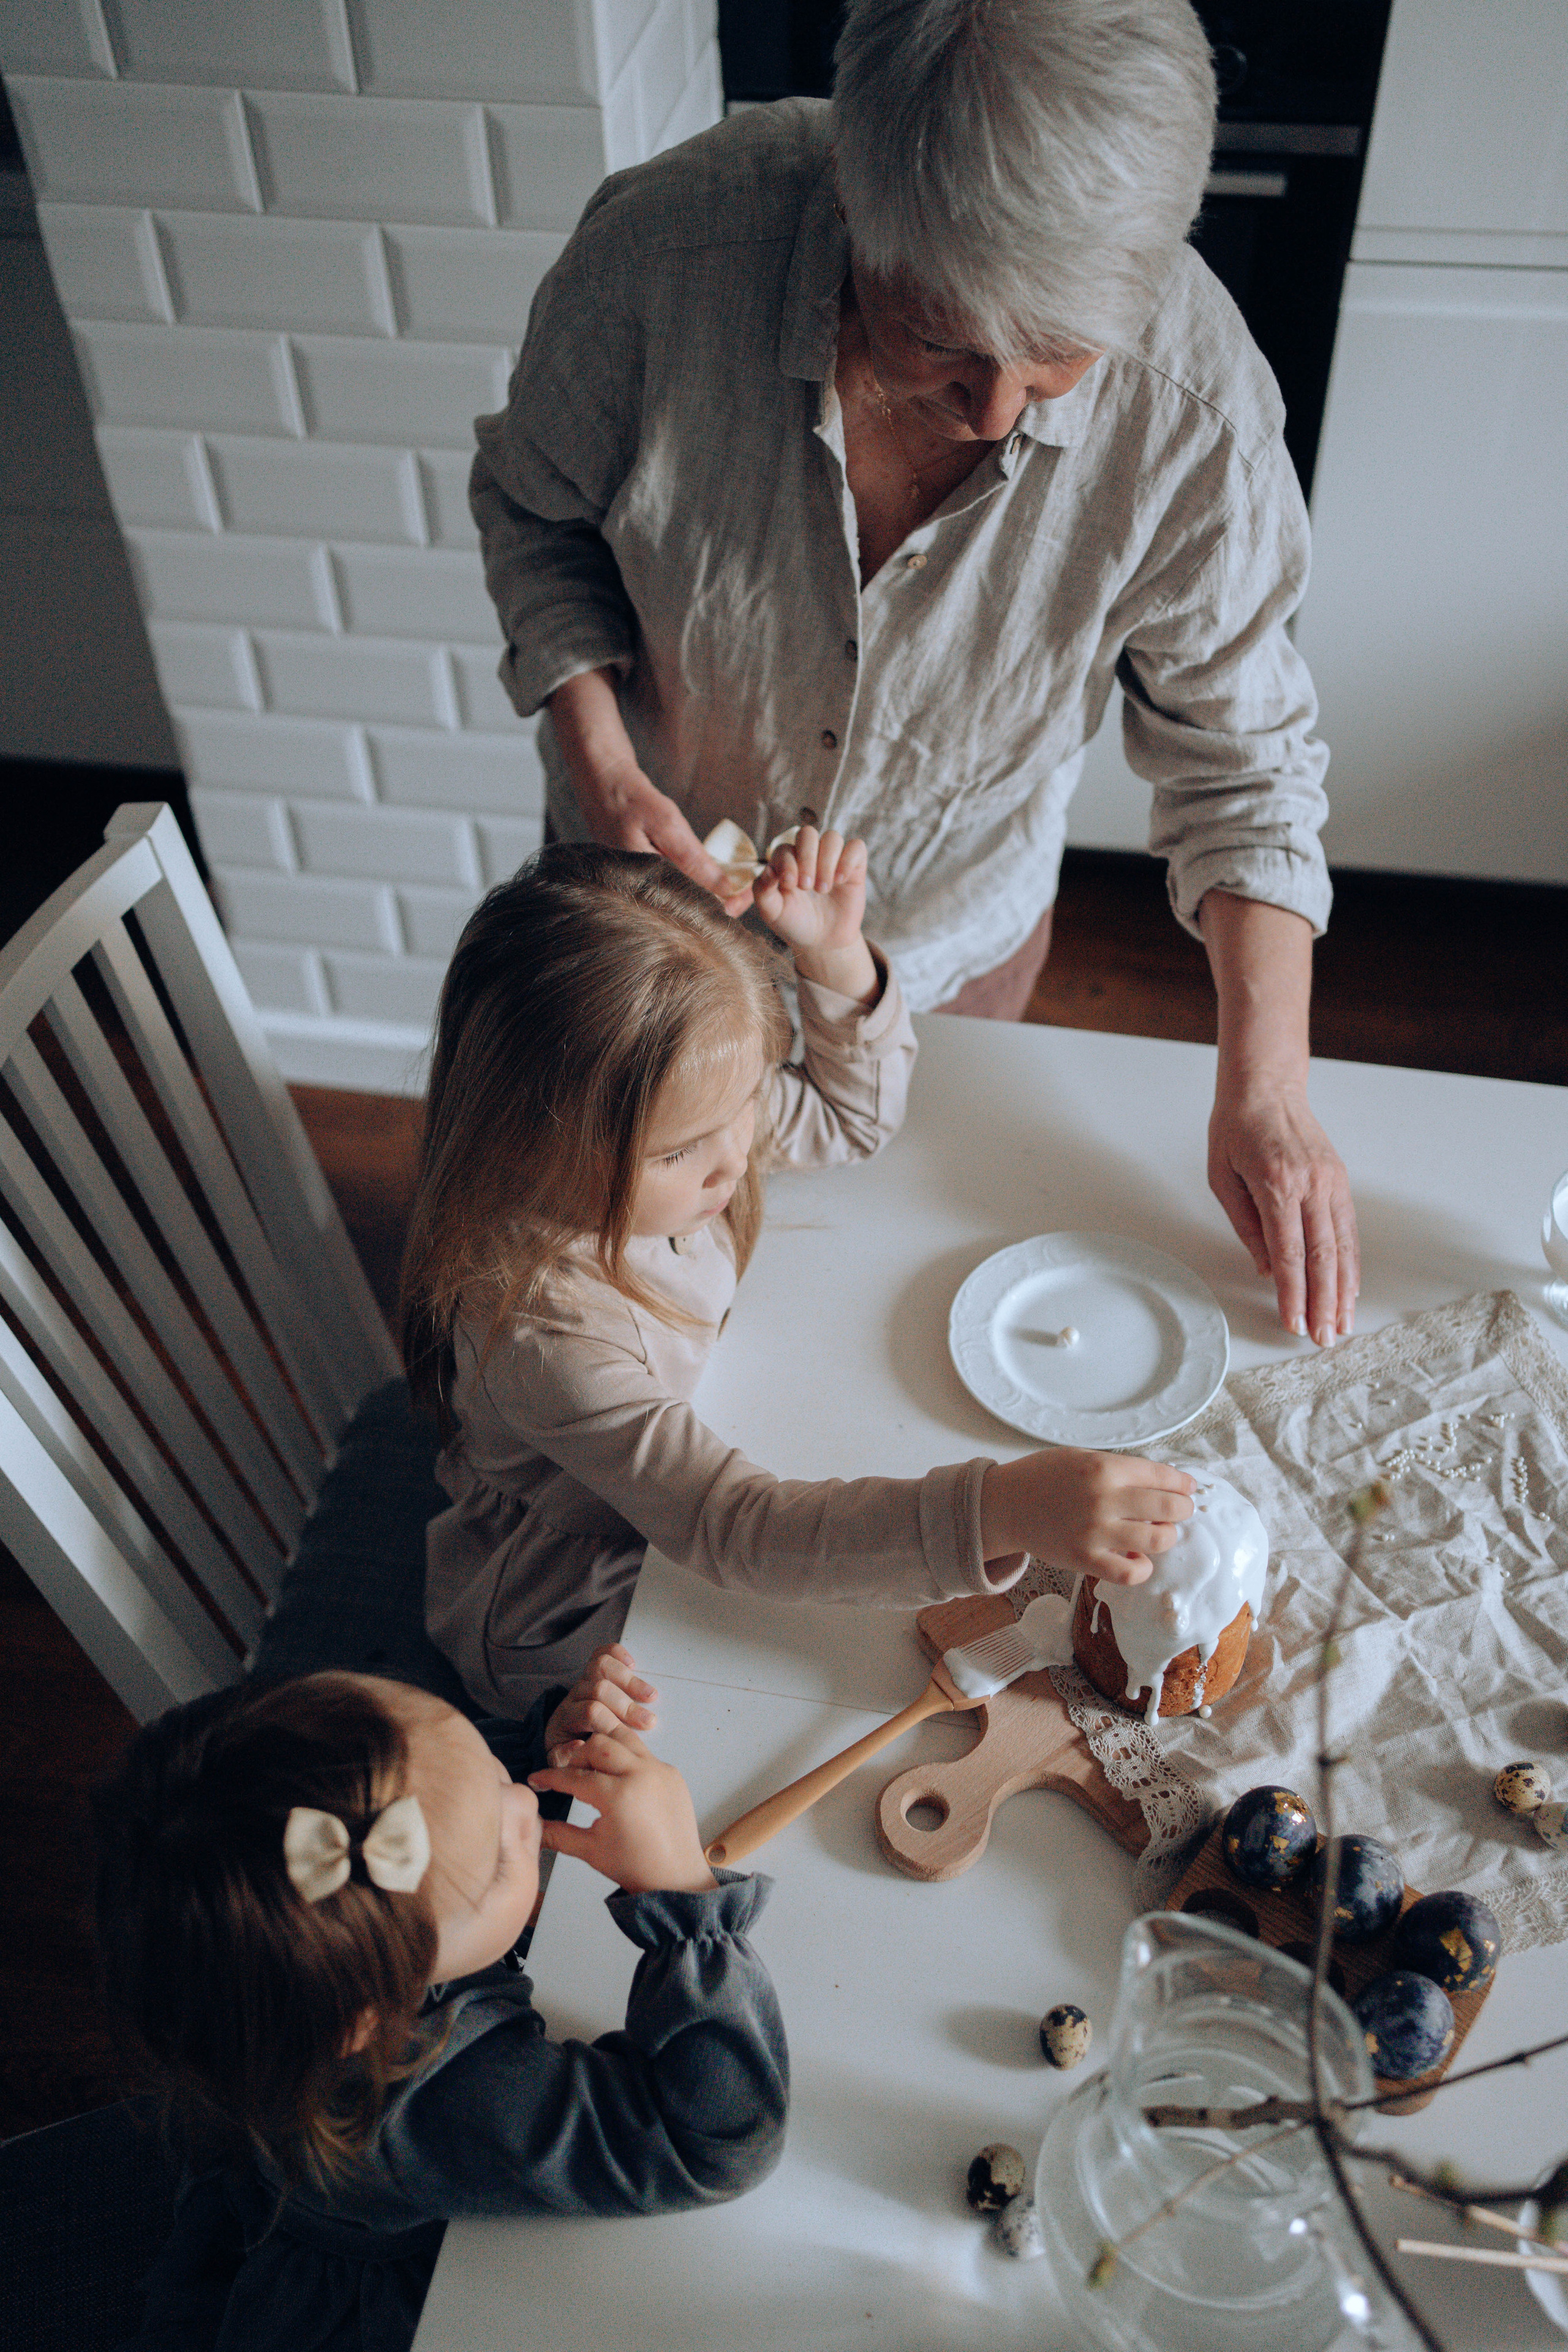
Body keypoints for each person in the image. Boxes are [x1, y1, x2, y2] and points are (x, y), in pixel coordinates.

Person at [468, 0, 1360, 1354]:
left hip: (945, 956)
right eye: (937, 336)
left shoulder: (1198, 417)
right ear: (851, 197)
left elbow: (1241, 763)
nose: (997, 409)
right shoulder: (658, 258)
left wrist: (1268, 1087)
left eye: (1056, 353)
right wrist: (602, 765)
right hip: (642, 928)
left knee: (869, 1328)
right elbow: (532, 513)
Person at [399, 831, 1194, 1719]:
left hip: (671, 1497)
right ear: (533, 1140)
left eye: (747, 1104)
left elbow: (849, 1119)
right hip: (575, 1622)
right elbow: (736, 1528)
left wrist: (832, 953)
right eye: (680, 1153)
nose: (734, 1158)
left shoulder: (689, 1116)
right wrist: (995, 1511)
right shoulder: (548, 1337)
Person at [91, 1653, 783, 2351]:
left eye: (491, 1768)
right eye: (503, 1857)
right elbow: (712, 2144)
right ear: (376, 2007)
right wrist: (686, 1909)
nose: (519, 1804)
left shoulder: (268, 1954)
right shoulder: (426, 2093)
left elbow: (436, 1806)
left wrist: (544, 1751)